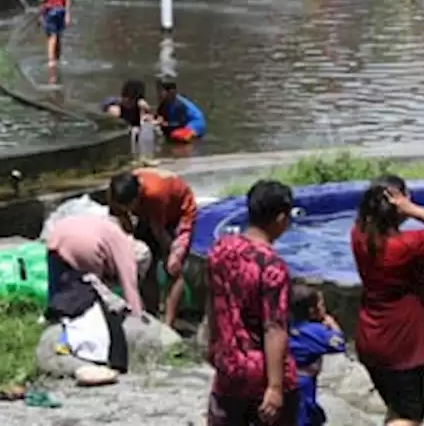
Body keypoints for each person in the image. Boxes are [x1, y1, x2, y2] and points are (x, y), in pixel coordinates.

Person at [351, 175, 424, 426]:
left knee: (396, 407)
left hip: (370, 338)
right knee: (410, 417)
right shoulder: (408, 246)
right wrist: (411, 209)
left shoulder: (359, 237)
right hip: (404, 344)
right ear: (398, 204)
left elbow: (365, 217)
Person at [205, 180, 299, 426]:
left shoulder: (220, 250)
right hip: (262, 373)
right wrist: (275, 387)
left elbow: (215, 302)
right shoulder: (272, 266)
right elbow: (274, 327)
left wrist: (212, 343)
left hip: (229, 367)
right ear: (280, 218)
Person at [109, 167, 198, 331]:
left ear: (137, 196)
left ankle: (168, 326)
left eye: (129, 207)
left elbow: (159, 232)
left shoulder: (155, 193)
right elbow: (123, 222)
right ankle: (152, 313)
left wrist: (170, 254)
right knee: (145, 263)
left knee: (173, 266)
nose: (126, 211)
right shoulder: (117, 193)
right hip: (149, 215)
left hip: (179, 213)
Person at [44, 213, 144, 318]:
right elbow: (130, 287)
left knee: (56, 293)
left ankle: (52, 320)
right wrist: (137, 316)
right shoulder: (127, 250)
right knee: (91, 292)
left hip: (57, 235)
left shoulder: (112, 232)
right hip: (84, 244)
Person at [288, 284, 346, 426]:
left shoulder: (286, 326)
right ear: (312, 311)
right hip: (304, 383)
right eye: (321, 304)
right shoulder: (315, 332)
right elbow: (339, 344)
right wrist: (332, 324)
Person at [155, 78, 207, 142]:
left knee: (177, 136)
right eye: (158, 91)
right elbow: (159, 115)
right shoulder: (164, 102)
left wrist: (165, 124)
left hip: (194, 123)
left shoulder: (179, 104)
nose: (159, 94)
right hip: (180, 122)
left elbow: (180, 123)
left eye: (161, 91)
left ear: (171, 92)